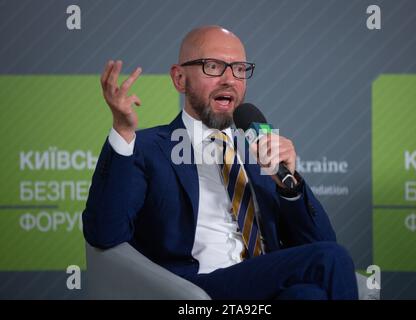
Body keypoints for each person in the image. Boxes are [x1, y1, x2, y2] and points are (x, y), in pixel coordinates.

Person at [82, 25, 358, 300]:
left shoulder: (260, 148)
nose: (229, 79)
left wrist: (290, 187)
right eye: (213, 66)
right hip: (194, 291)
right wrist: (122, 131)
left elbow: (318, 243)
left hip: (264, 286)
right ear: (179, 79)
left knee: (308, 296)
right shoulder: (145, 148)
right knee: (332, 258)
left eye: (239, 68)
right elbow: (104, 234)